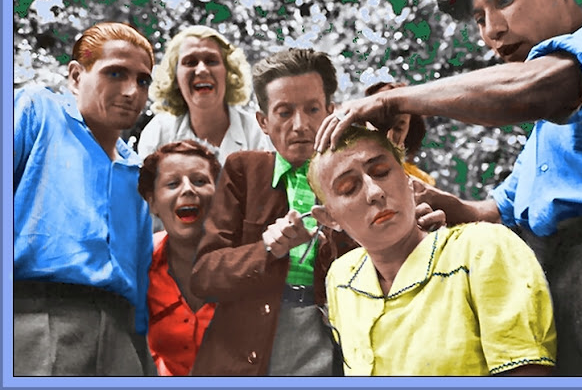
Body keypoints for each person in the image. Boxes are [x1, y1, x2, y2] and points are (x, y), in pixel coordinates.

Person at [315, 0, 582, 376]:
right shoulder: (543, 139)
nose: (492, 30)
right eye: (479, 18)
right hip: (557, 278)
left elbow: (532, 89)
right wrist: (421, 199)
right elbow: (494, 212)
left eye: (505, 1)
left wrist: (396, 101)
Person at [189, 48, 446, 376]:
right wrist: (268, 249)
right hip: (246, 349)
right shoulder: (244, 171)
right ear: (263, 122)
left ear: (331, 111)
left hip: (333, 339)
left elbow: (389, 270)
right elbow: (205, 277)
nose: (300, 125)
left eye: (312, 109)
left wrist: (416, 235)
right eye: (283, 112)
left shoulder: (367, 178)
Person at [308, 125, 557, 376]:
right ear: (329, 217)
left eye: (382, 172)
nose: (375, 192)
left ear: (410, 182)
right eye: (349, 187)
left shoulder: (483, 249)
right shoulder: (342, 277)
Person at [13, 22, 156, 376]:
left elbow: (140, 280)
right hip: (37, 317)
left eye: (142, 80)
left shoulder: (138, 173)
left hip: (120, 338)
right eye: (115, 73)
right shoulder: (38, 112)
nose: (130, 91)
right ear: (77, 76)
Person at [137, 139, 221, 376]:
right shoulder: (140, 261)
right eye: (173, 183)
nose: (188, 189)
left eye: (200, 181)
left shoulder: (246, 261)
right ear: (152, 202)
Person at [137, 25, 269, 165]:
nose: (201, 70)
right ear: (174, 77)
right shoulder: (159, 132)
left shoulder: (257, 133)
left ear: (229, 73)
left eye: (211, 61)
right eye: (190, 62)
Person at [365, 81, 436, 186]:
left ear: (408, 133)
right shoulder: (337, 168)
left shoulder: (422, 184)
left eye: (398, 128)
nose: (388, 137)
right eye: (380, 125)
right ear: (362, 122)